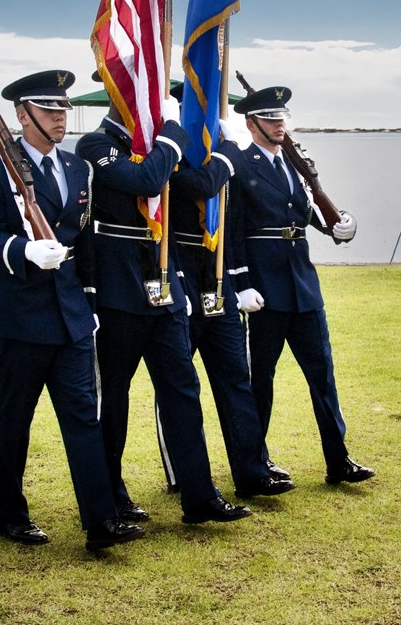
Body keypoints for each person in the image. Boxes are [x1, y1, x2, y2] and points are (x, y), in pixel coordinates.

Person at [0, 69, 144, 551]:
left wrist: (90, 304)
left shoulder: (77, 169)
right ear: (22, 115)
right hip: (17, 316)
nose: (60, 117)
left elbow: (84, 242)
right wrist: (23, 250)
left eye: (63, 108)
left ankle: (101, 520)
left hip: (71, 315)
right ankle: (7, 515)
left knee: (85, 418)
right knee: (14, 421)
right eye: (48, 109)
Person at [75, 89, 252, 526]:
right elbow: (146, 182)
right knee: (113, 400)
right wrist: (172, 132)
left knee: (182, 391)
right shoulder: (95, 145)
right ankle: (112, 497)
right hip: (117, 293)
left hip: (165, 289)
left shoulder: (157, 147)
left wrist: (182, 285)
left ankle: (199, 496)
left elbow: (184, 198)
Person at [227, 85, 375, 486]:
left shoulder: (295, 164)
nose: (279, 125)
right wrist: (241, 282)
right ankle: (256, 465)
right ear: (251, 123)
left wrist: (339, 225)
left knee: (322, 376)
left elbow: (310, 212)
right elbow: (234, 230)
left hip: (303, 285)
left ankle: (338, 460)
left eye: (282, 118)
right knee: (260, 380)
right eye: (270, 119)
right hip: (264, 288)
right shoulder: (240, 163)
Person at [156, 82, 296, 499]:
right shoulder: (170, 153)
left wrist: (238, 280)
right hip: (181, 271)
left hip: (218, 278)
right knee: (178, 383)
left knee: (236, 377)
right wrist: (229, 152)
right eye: (195, 111)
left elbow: (231, 225)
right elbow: (198, 185)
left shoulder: (222, 154)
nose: (202, 120)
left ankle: (252, 472)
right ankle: (180, 472)